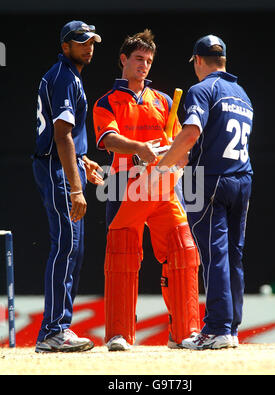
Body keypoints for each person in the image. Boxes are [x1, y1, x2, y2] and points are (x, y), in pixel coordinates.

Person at [93, 29, 201, 351]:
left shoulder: (165, 101)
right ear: (123, 60)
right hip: (126, 187)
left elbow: (183, 145)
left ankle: (184, 333)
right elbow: (107, 139)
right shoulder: (107, 102)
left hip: (163, 187)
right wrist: (141, 148)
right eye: (138, 58)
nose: (144, 65)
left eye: (149, 60)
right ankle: (118, 335)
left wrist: (175, 160)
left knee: (183, 250)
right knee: (122, 255)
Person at [156, 34, 254, 350]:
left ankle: (216, 329)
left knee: (214, 254)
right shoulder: (242, 95)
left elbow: (192, 133)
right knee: (233, 254)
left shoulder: (202, 89)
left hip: (211, 181)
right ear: (223, 59)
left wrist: (162, 165)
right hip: (242, 179)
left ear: (198, 61)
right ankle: (231, 328)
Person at [32, 20, 104, 353]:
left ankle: (58, 328)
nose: (88, 46)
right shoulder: (63, 77)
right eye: (81, 42)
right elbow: (60, 137)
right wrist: (76, 188)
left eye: (91, 41)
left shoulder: (69, 76)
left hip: (62, 164)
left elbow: (70, 136)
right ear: (65, 47)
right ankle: (53, 331)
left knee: (73, 247)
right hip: (54, 166)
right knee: (65, 245)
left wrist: (83, 161)